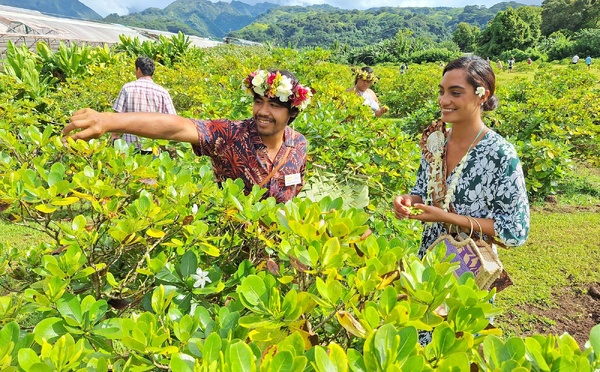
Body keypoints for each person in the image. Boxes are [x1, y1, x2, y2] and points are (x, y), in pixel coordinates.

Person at [392, 55, 530, 344]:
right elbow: (421, 188)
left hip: (471, 269)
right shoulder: (435, 140)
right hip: (429, 265)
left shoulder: (500, 154)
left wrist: (446, 218)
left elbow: (515, 230)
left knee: (457, 346)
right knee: (417, 345)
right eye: (442, 91)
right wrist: (408, 201)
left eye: (456, 93)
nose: (445, 100)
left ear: (483, 95)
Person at [63, 69, 314, 204]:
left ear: (292, 112)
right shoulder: (230, 134)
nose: (263, 112)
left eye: (275, 106)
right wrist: (109, 120)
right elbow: (176, 127)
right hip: (229, 249)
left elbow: (294, 192)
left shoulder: (299, 144)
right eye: (259, 102)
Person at [111, 56, 177, 154]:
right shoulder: (162, 92)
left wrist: (114, 135)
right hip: (153, 148)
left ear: (138, 70)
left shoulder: (127, 88)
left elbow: (116, 115)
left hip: (129, 147)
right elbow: (173, 120)